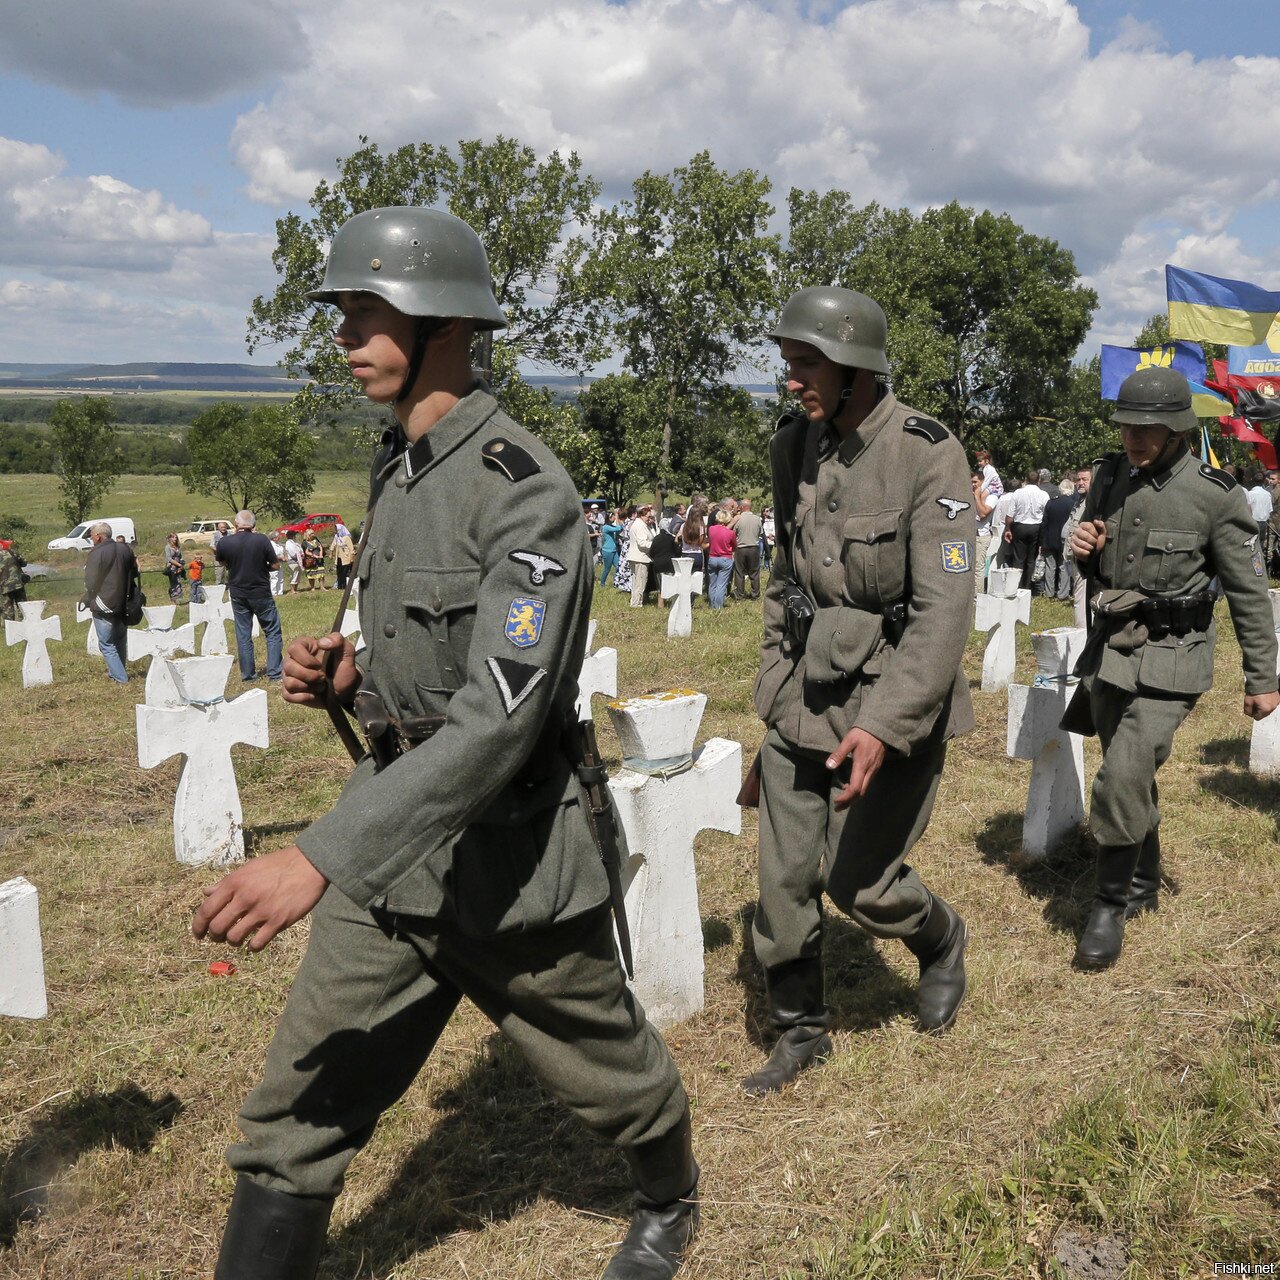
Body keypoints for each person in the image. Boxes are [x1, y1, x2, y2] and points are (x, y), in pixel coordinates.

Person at [192, 207, 697, 1280]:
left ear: (445, 326)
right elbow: (433, 664)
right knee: (294, 1110)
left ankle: (669, 1193)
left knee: (611, 1076)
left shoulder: (526, 492)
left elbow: (498, 717)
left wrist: (319, 852)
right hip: (397, 859)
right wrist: (354, 676)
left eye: (367, 311)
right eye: (343, 310)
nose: (342, 335)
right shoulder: (401, 466)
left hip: (510, 862)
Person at [745, 286, 974, 1096]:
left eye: (805, 363)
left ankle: (941, 939)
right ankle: (801, 1027)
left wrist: (883, 725)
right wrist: (773, 688)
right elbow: (786, 581)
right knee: (781, 884)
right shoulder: (792, 449)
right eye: (789, 362)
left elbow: (945, 610)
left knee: (861, 886)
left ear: (854, 368)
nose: (791, 379)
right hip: (803, 696)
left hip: (892, 698)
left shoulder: (928, 451)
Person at [1066, 366, 1279, 971]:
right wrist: (1085, 551)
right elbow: (1101, 565)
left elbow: (1248, 591)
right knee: (1129, 774)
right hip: (1112, 651)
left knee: (1121, 774)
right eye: (1128, 425)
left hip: (1175, 659)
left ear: (1178, 428)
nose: (1135, 437)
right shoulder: (1108, 477)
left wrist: (1262, 678)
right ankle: (1143, 879)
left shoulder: (1215, 494)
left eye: (1149, 427)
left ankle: (1108, 906)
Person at [215, 510, 284, 683]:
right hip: (261, 592)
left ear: (235, 524)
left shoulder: (224, 542)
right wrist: (261, 568)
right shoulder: (262, 539)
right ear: (253, 525)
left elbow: (222, 562)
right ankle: (274, 673)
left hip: (238, 593)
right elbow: (275, 566)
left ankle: (248, 675)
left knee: (243, 633)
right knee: (272, 631)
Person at [82, 521, 136, 682]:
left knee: (106, 643)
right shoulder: (125, 549)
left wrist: (91, 595)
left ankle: (120, 678)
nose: (91, 538)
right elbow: (133, 572)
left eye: (91, 535)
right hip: (123, 600)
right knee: (120, 639)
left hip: (103, 601)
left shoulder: (97, 553)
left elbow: (90, 580)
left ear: (98, 536)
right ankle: (117, 673)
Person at [1002, 469, 1048, 590]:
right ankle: (1028, 586)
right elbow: (1046, 514)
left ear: (1026, 480)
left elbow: (1010, 515)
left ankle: (1017, 584)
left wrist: (1008, 529)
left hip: (1020, 526)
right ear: (1039, 480)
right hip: (1036, 527)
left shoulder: (1018, 493)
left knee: (1018, 558)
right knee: (1031, 558)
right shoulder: (1043, 494)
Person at [1061, 465, 1092, 628]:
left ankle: (1081, 631)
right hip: (1072, 556)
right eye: (1078, 480)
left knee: (1081, 596)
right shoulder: (1078, 500)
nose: (1080, 483)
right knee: (1079, 594)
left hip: (1083, 558)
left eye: (1084, 479)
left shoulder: (1093, 502)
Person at [1038, 485, 1075, 599]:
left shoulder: (1051, 503)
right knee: (1064, 566)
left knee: (1050, 567)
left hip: (1050, 540)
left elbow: (1044, 523)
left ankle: (1049, 592)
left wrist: (1042, 541)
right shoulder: (1074, 503)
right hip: (1066, 540)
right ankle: (1063, 594)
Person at [731, 500, 763, 601]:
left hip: (740, 548)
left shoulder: (738, 519)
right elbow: (760, 532)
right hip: (754, 547)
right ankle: (755, 594)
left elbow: (733, 533)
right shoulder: (757, 519)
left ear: (742, 507)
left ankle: (740, 594)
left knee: (740, 572)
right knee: (754, 572)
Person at [626, 505, 655, 607]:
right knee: (640, 582)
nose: (649, 518)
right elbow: (642, 543)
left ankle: (636, 602)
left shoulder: (641, 524)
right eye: (647, 516)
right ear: (641, 515)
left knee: (637, 582)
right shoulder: (640, 525)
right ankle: (636, 604)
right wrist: (654, 545)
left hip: (637, 557)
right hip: (640, 557)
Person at [706, 510, 736, 609]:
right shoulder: (731, 533)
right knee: (721, 584)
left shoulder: (711, 529)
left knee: (712, 583)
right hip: (725, 558)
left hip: (713, 558)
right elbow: (735, 546)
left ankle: (711, 604)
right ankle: (718, 606)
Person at [0, 540, 27, 622]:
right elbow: (24, 563)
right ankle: (24, 624)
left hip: (5, 587)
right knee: (22, 606)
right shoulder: (12, 552)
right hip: (18, 584)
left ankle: (8, 628)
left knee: (8, 608)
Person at [599, 509, 624, 587]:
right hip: (607, 551)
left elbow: (621, 527)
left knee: (618, 567)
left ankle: (616, 582)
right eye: (613, 516)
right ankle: (602, 584)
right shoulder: (606, 527)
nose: (614, 517)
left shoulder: (610, 526)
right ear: (609, 518)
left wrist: (618, 519)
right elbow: (618, 528)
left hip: (613, 550)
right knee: (607, 568)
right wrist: (617, 516)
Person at [330, 522, 356, 590]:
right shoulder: (337, 537)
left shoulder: (346, 538)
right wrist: (331, 552)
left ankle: (345, 586)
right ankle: (340, 585)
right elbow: (333, 544)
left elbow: (351, 549)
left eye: (336, 529)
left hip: (346, 557)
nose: (335, 530)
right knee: (339, 572)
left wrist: (351, 558)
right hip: (339, 557)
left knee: (345, 572)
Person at [163, 532, 186, 603]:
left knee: (178, 582)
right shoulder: (167, 547)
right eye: (173, 537)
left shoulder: (178, 547)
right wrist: (178, 564)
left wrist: (181, 564)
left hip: (179, 566)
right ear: (169, 538)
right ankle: (173, 598)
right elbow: (169, 558)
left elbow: (180, 556)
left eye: (175, 537)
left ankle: (177, 597)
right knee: (173, 582)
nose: (175, 539)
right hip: (172, 567)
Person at [211, 520, 230, 585]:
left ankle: (229, 585)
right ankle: (219, 586)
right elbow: (212, 545)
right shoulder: (215, 535)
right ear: (218, 528)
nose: (223, 529)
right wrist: (219, 552)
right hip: (218, 557)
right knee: (219, 573)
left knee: (230, 572)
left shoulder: (230, 534)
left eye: (224, 527)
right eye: (221, 527)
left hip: (229, 557)